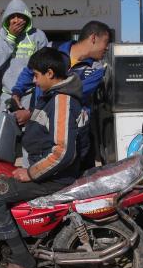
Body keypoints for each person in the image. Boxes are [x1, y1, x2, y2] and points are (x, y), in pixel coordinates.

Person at [0, 48, 83, 268]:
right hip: (46, 170)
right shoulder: (52, 96)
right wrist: (27, 116)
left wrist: (30, 173)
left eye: (37, 75)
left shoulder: (62, 100)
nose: (34, 81)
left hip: (54, 177)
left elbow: (62, 151)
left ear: (50, 73)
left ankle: (22, 259)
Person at [11, 21, 111, 171]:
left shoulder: (97, 69)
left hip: (75, 138)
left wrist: (31, 114)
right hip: (43, 135)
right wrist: (17, 92)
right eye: (106, 42)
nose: (107, 47)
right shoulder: (52, 48)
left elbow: (69, 94)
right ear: (93, 38)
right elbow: (30, 70)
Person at [0, 0, 48, 112]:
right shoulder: (2, 35)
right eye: (12, 17)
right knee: (6, 128)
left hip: (31, 95)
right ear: (7, 19)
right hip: (8, 96)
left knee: (31, 129)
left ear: (26, 17)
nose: (16, 20)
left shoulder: (38, 35)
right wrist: (11, 37)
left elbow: (45, 65)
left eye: (20, 16)